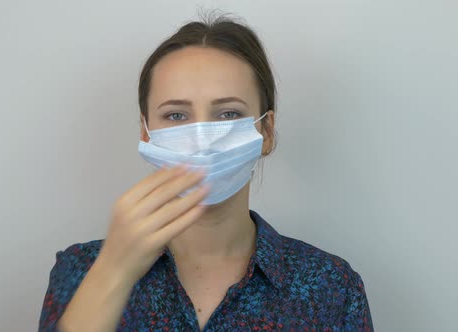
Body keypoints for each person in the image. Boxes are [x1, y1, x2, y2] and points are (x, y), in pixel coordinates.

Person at [39, 14, 373, 332]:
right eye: (176, 116)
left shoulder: (332, 286)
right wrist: (112, 274)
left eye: (228, 113)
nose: (202, 141)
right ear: (146, 133)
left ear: (266, 131)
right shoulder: (82, 268)